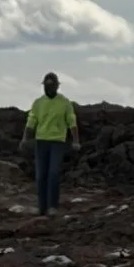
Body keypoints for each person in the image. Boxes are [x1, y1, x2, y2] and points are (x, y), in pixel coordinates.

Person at [20, 72, 80, 216]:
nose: (49, 88)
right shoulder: (38, 103)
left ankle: (52, 206)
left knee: (53, 173)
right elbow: (31, 122)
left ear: (57, 86)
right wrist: (24, 139)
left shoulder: (65, 103)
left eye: (52, 85)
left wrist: (76, 141)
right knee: (41, 175)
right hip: (41, 142)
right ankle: (42, 207)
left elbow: (72, 122)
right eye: (46, 86)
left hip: (57, 142)